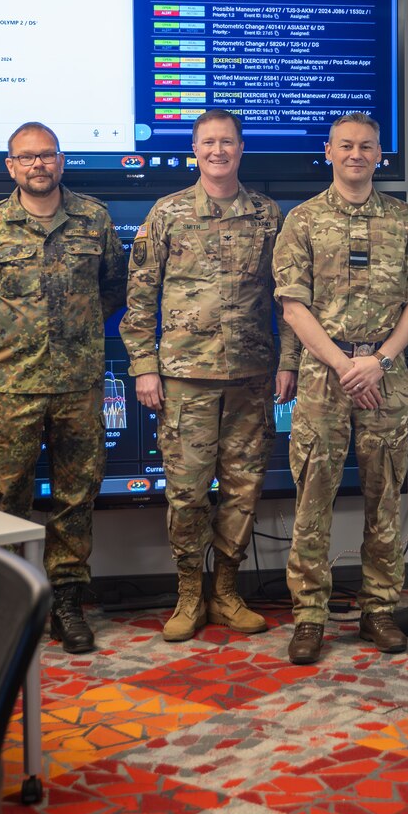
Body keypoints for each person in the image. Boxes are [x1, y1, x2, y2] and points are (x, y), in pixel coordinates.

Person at [0, 121, 128, 654]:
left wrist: (73, 334)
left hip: (79, 386)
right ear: (11, 166)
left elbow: (113, 288)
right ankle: (6, 603)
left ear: (61, 161)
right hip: (13, 386)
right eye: (26, 158)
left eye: (46, 155)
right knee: (5, 498)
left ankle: (66, 603)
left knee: (76, 497)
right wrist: (14, 336)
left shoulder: (94, 219)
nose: (38, 165)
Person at [121, 108, 300, 643]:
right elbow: (139, 297)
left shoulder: (269, 215)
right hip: (183, 377)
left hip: (251, 376)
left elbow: (290, 295)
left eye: (227, 142)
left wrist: (288, 361)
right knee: (187, 492)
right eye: (208, 143)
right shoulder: (167, 213)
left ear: (240, 149)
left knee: (243, 491)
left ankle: (225, 591)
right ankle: (188, 593)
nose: (217, 151)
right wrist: (144, 367)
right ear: (194, 150)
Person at [273, 112, 408, 664]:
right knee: (312, 501)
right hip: (325, 377)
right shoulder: (301, 221)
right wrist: (349, 366)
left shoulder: (407, 221)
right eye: (346, 145)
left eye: (367, 146)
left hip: (386, 376)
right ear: (329, 151)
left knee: (385, 498)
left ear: (379, 154)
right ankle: (309, 617)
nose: (356, 154)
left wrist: (381, 360)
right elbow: (294, 307)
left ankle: (379, 610)